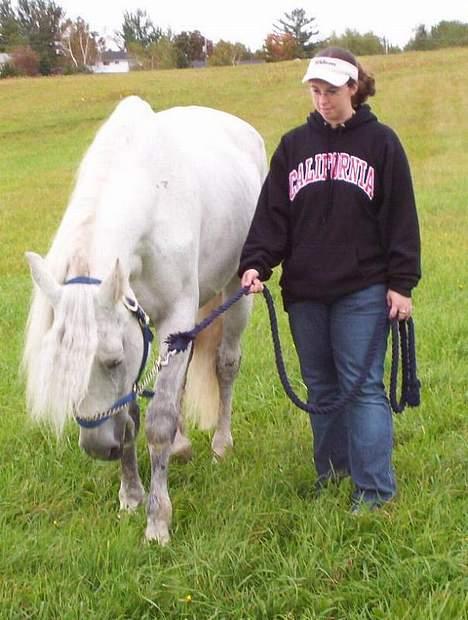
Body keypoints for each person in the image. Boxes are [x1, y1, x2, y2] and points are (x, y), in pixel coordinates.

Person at [239, 47, 421, 512]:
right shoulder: (293, 147)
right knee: (321, 388)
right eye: (316, 91)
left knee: (361, 388)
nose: (322, 100)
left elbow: (401, 218)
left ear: (354, 88)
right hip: (305, 294)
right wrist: (256, 262)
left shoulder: (382, 144)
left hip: (362, 290)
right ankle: (334, 474)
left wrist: (401, 284)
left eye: (331, 91)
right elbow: (273, 215)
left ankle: (375, 491)